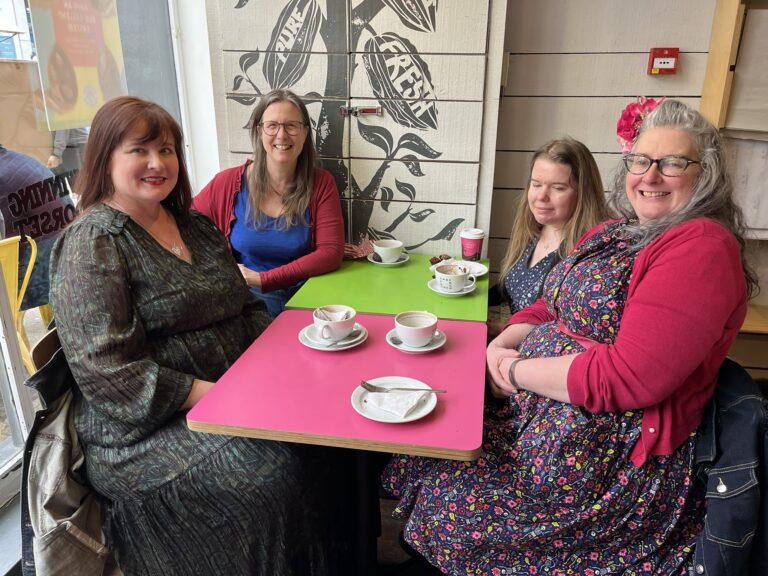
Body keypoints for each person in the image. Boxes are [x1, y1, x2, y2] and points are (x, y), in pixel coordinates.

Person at [381, 99, 756, 574]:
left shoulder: (700, 246)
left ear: (706, 175)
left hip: (605, 473)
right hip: (541, 430)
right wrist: (502, 343)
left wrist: (514, 368)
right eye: (640, 160)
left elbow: (628, 378)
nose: (650, 175)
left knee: (449, 500)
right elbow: (549, 299)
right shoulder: (629, 232)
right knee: (422, 447)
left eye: (672, 163)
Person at [49, 96, 352, 575]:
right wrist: (219, 395)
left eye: (167, 150)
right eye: (139, 150)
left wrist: (287, 366)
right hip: (143, 433)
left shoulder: (193, 225)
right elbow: (109, 374)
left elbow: (247, 306)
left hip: (229, 394)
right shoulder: (95, 243)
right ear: (105, 156)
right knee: (273, 473)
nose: (157, 163)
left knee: (334, 439)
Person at [193, 89, 345, 318]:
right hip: (249, 304)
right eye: (272, 125)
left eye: (291, 126)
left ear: (305, 133)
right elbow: (186, 227)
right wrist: (221, 270)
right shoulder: (227, 183)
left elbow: (331, 253)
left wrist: (264, 279)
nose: (281, 135)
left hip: (308, 298)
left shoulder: (321, 183)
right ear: (259, 132)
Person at [490, 137, 609, 335]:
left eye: (558, 188)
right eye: (536, 185)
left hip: (529, 357)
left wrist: (499, 331)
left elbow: (562, 327)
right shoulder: (533, 229)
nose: (541, 196)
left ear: (583, 194)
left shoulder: (587, 255)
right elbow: (509, 287)